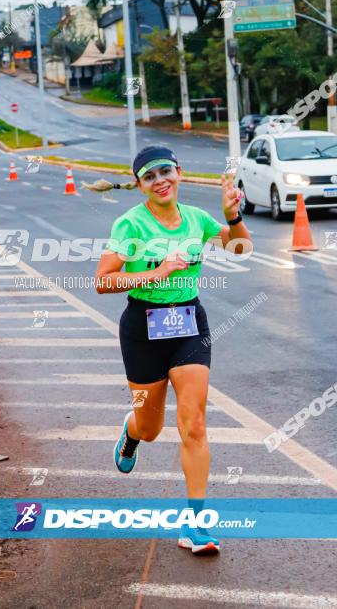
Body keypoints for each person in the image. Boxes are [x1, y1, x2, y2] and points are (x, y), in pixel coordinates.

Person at [95, 145, 252, 555]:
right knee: (151, 428)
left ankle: (195, 525)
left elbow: (241, 249)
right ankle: (130, 432)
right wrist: (157, 270)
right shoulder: (130, 225)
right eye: (150, 176)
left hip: (188, 326)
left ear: (178, 173)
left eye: (165, 171)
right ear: (140, 185)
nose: (160, 180)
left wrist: (232, 215)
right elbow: (102, 280)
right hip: (142, 329)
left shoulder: (197, 219)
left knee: (194, 424)